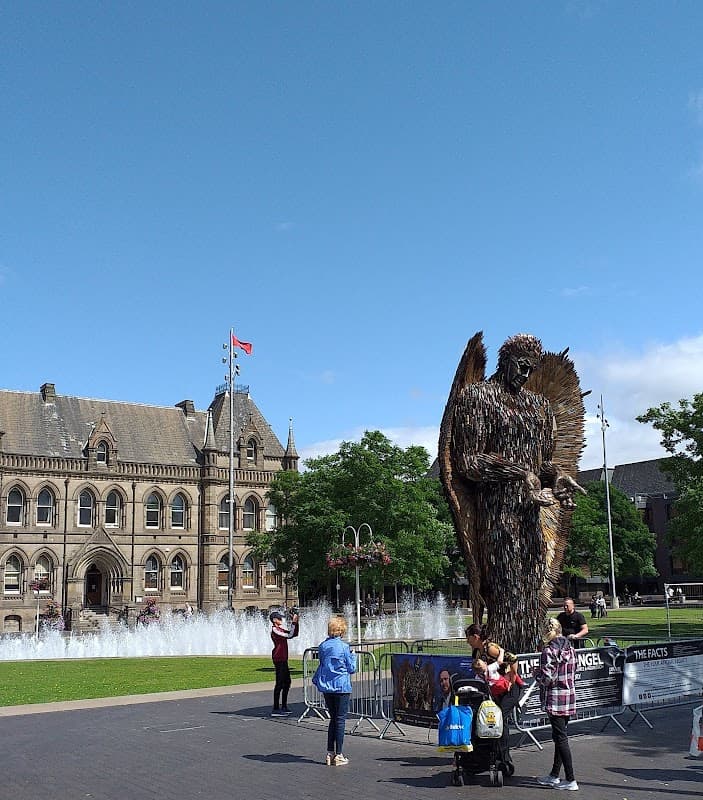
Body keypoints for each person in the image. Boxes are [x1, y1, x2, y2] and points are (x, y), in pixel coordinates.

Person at [441, 333, 586, 654]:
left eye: (530, 369)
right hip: (497, 516)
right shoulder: (477, 398)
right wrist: (519, 472)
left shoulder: (539, 407)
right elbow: (468, 461)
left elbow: (544, 463)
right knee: (506, 592)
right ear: (504, 360)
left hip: (531, 516)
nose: (524, 375)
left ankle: (533, 660)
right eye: (520, 366)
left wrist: (557, 476)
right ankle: (502, 666)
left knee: (533, 593)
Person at [465, 623, 523, 769]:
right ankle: (491, 754)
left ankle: (504, 758)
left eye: (468, 638)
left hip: (508, 688)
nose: (467, 641)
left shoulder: (490, 648)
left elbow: (513, 658)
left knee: (500, 719)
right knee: (492, 719)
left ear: (475, 637)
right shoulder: (477, 652)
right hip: (495, 691)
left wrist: (512, 677)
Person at [533, 618, 578, 791]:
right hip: (569, 696)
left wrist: (536, 674)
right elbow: (575, 670)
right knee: (559, 736)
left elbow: (546, 678)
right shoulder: (570, 648)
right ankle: (554, 775)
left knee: (560, 738)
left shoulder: (549, 651)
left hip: (555, 698)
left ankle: (571, 778)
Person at [313, 615, 356, 766]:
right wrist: (354, 657)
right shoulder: (344, 647)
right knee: (340, 719)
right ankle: (339, 754)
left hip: (327, 686)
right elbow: (351, 669)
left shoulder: (323, 646)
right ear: (342, 630)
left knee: (333, 718)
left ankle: (330, 752)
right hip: (341, 686)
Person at [270, 608, 299, 716]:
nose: (281, 619)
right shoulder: (275, 630)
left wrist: (296, 621)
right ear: (274, 620)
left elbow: (294, 633)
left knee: (287, 682)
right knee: (279, 683)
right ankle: (276, 708)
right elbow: (289, 635)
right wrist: (294, 622)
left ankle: (284, 706)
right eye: (278, 618)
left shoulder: (280, 629)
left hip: (283, 658)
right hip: (279, 659)